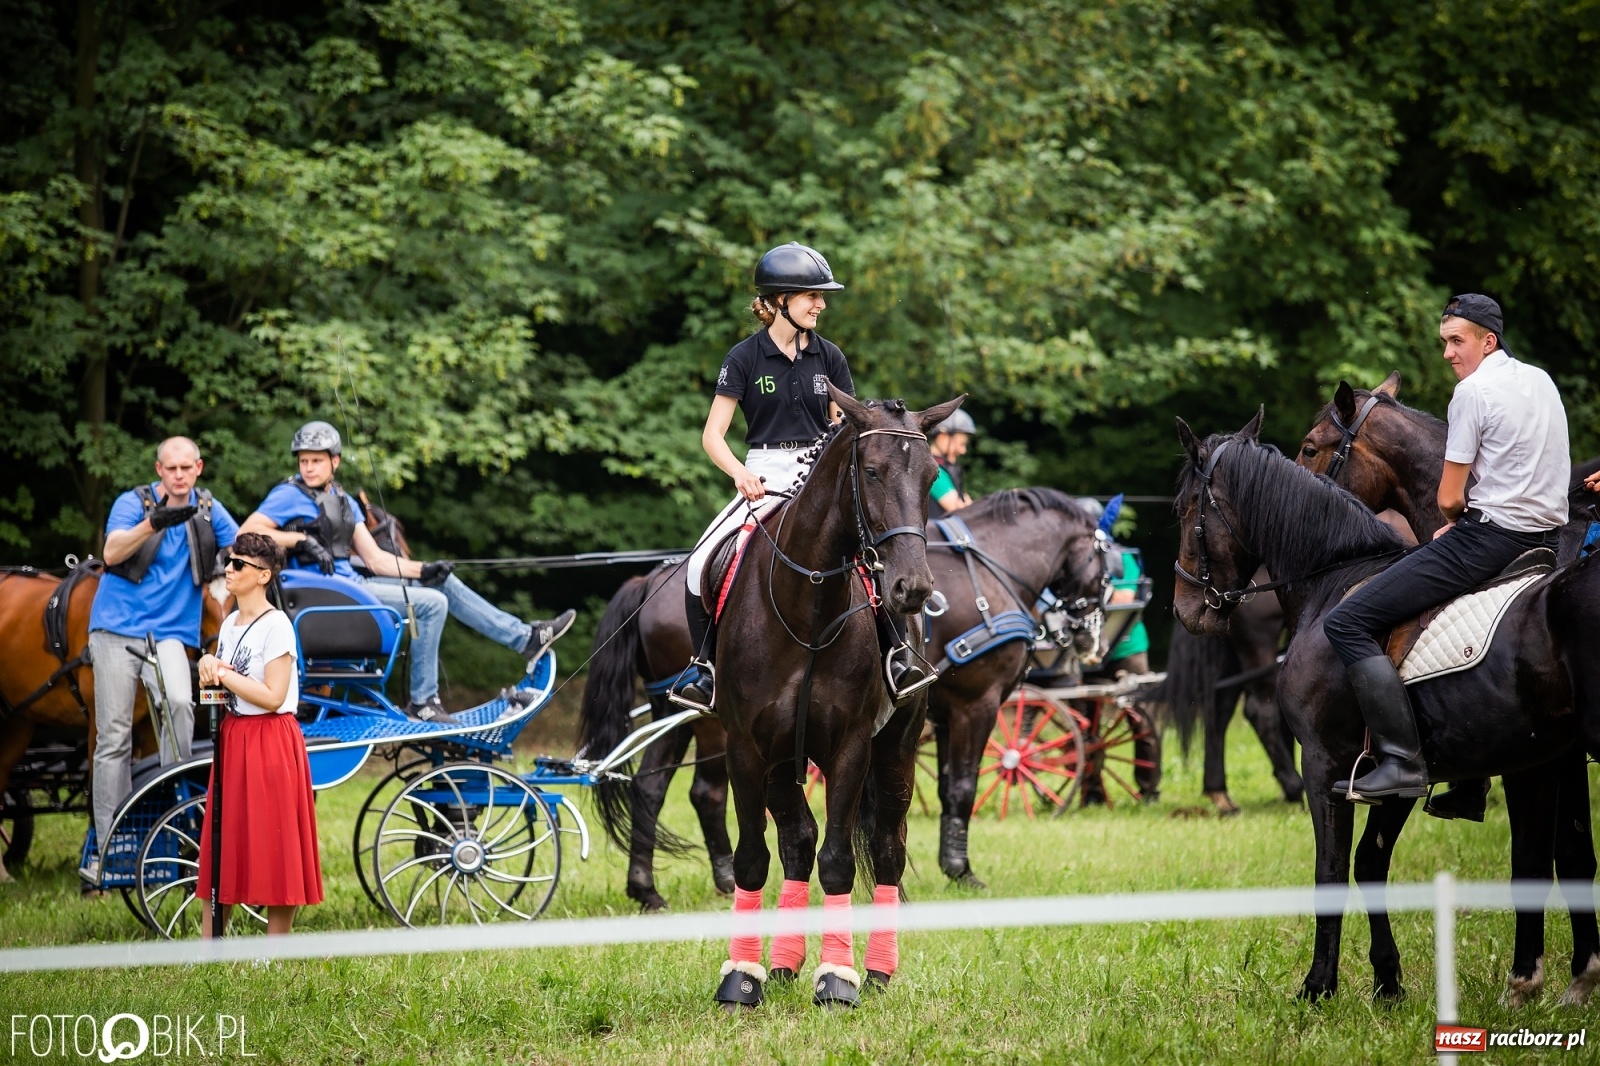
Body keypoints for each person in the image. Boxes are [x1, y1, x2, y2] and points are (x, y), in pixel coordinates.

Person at [1324, 295, 1569, 806]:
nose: (1448, 354)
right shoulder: (1541, 380)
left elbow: (1448, 497)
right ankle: (1469, 779)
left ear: (1489, 341)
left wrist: (1453, 523)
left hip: (1490, 540)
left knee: (1346, 622)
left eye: (1458, 341)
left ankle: (1400, 761)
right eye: (1445, 343)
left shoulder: (1472, 394)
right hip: (1546, 541)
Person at [672, 242, 934, 712]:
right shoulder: (743, 358)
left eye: (820, 295)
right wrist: (738, 474)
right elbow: (713, 436)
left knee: (869, 555)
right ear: (778, 301)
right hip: (763, 471)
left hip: (820, 473)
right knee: (699, 563)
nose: (821, 303)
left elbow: (844, 423)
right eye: (811, 295)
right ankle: (704, 667)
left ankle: (897, 655)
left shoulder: (830, 356)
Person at [238, 421, 574, 723]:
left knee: (442, 584)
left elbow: (377, 560)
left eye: (317, 460)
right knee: (431, 604)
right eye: (304, 460)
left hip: (351, 586)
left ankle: (525, 639)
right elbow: (246, 533)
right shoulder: (287, 495)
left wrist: (425, 569)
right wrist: (299, 539)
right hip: (325, 597)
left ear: (334, 461)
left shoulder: (344, 502)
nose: (308, 467)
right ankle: (422, 701)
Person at [84, 436, 239, 884]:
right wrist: (152, 523)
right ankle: (110, 843)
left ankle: (172, 822)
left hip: (171, 633)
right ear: (158, 469)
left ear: (198, 468)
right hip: (115, 628)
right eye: (170, 468)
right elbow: (111, 552)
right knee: (113, 736)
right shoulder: (133, 503)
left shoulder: (209, 508)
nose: (178, 475)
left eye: (186, 468)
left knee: (178, 705)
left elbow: (244, 545)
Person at [194, 532, 320, 935]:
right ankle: (209, 950)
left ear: (263, 575)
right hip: (235, 737)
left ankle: (273, 954)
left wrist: (225, 672)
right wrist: (206, 666)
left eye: (238, 564)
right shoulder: (230, 622)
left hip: (270, 739)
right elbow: (221, 687)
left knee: (275, 844)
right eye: (229, 562)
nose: (228, 570)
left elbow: (272, 695)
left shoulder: (278, 625)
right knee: (225, 842)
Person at [1074, 497, 1150, 675]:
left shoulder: (1122, 558)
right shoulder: (1071, 563)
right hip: (1083, 649)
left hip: (1125, 647)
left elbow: (1123, 600)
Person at [929, 410, 977, 518]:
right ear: (943, 437)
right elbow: (965, 512)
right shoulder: (931, 470)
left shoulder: (944, 468)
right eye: (961, 444)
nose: (963, 451)